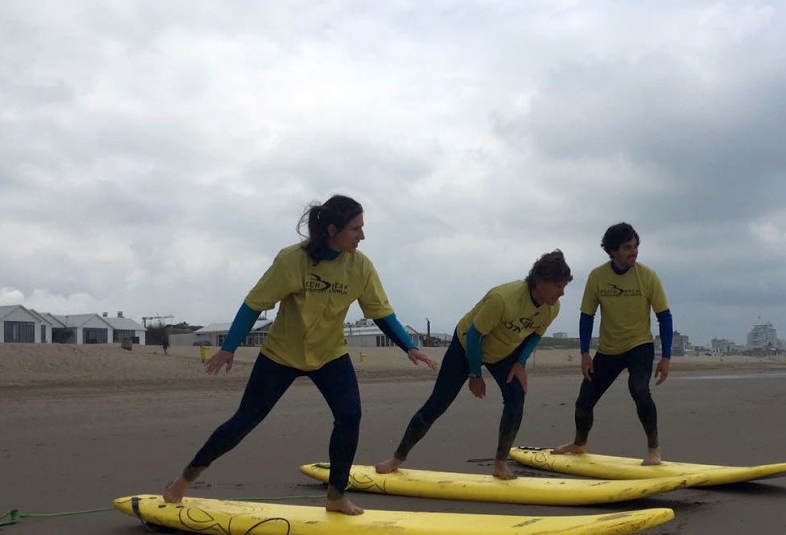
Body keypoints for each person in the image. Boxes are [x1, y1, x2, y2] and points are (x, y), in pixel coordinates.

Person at [163, 195, 437, 515]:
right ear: (332, 230)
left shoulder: (360, 266)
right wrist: (228, 347)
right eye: (355, 228)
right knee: (244, 421)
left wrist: (409, 346)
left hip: (330, 354)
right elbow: (254, 304)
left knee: (349, 416)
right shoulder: (292, 260)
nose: (362, 236)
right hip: (281, 354)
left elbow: (381, 312)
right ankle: (185, 479)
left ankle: (336, 496)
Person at [376, 250, 573, 480]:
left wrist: (520, 362)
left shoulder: (552, 307)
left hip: (504, 353)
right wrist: (475, 374)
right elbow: (473, 336)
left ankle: (500, 463)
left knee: (516, 397)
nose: (562, 292)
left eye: (564, 286)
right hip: (466, 346)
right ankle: (397, 459)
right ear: (540, 282)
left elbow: (535, 335)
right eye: (558, 286)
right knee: (438, 403)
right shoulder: (503, 299)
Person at [553, 222, 672, 465]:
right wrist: (584, 353)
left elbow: (664, 317)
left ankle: (654, 450)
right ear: (612, 251)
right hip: (609, 349)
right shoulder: (598, 277)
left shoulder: (648, 277)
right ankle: (579, 444)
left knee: (639, 390)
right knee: (584, 400)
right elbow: (587, 316)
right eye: (628, 247)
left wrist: (666, 357)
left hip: (640, 345)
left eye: (635, 246)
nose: (634, 252)